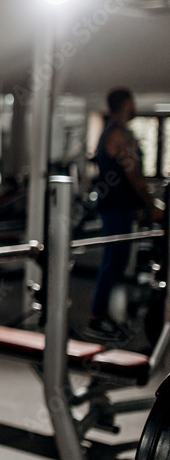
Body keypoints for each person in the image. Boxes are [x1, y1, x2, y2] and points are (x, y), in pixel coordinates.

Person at [88, 87, 164, 340]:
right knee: (113, 262)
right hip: (116, 208)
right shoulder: (120, 133)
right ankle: (97, 317)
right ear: (127, 103)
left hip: (118, 207)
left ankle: (102, 315)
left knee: (115, 262)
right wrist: (151, 205)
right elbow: (133, 174)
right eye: (133, 103)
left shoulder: (110, 131)